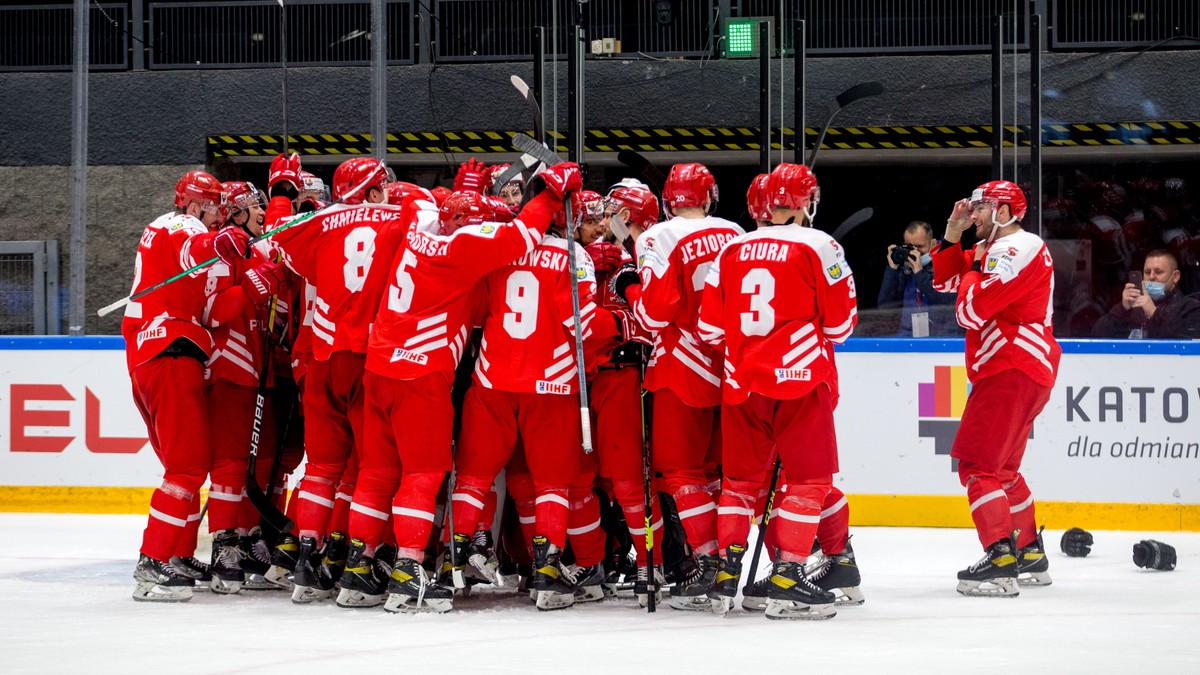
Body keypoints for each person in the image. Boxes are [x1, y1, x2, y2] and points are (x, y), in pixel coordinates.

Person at [345, 163, 580, 613]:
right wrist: (551, 196)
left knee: (376, 473)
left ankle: (359, 567)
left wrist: (465, 192)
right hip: (422, 374)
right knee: (421, 474)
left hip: (378, 367)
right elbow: (521, 236)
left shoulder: (420, 223)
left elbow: (413, 193)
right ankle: (409, 570)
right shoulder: (465, 246)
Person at [696, 163, 857, 620]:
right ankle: (788, 576)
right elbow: (842, 324)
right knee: (808, 482)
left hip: (742, 383)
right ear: (805, 202)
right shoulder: (820, 245)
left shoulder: (730, 250)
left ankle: (726, 573)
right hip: (801, 381)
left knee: (740, 484)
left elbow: (709, 328)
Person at [448, 165, 595, 612]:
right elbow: (583, 326)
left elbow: (474, 315)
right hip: (551, 384)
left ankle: (453, 563)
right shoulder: (573, 255)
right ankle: (547, 570)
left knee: (473, 475)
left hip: (493, 379)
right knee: (552, 481)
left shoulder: (499, 249)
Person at [268, 155, 406, 603]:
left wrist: (281, 194)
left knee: (323, 467)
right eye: (381, 184)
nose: (387, 189)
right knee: (374, 468)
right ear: (370, 190)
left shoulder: (321, 223)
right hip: (370, 358)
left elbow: (275, 242)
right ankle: (361, 564)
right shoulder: (397, 218)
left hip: (321, 357)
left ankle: (308, 560)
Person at [613, 162, 744, 611]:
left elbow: (652, 315)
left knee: (683, 475)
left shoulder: (657, 237)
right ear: (709, 196)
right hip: (731, 367)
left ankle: (706, 561)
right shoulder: (738, 233)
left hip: (681, 369)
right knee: (718, 474)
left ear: (669, 201)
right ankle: (739, 559)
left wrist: (629, 286)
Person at [124, 170, 252, 602]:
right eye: (214, 204)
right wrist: (216, 243)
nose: (219, 213)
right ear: (196, 204)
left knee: (181, 463)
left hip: (152, 356)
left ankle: (175, 554)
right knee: (189, 465)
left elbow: (212, 309)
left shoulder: (164, 230)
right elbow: (194, 244)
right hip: (171, 352)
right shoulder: (184, 225)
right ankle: (153, 562)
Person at [931, 180, 1061, 597]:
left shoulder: (1012, 249)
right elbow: (945, 283)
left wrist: (973, 266)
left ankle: (1001, 558)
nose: (974, 214)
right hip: (1022, 367)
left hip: (1009, 365)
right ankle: (1029, 553)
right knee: (1003, 471)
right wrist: (952, 235)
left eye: (982, 207)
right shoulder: (1000, 248)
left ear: (1004, 212)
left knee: (977, 467)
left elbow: (970, 310)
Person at [200, 181, 290, 594]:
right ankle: (224, 544)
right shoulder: (222, 246)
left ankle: (252, 536)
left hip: (258, 366)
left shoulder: (252, 247)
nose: (261, 210)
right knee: (232, 463)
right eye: (254, 206)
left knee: (263, 459)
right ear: (234, 212)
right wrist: (252, 283)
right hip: (230, 364)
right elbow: (214, 310)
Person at [1092, 248, 1200, 339]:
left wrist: (1154, 313)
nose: (1151, 277)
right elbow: (1098, 335)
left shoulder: (1190, 308)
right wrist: (1122, 309)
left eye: (1158, 272)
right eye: (1147, 272)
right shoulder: (1133, 309)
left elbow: (1184, 342)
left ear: (1175, 276)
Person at [877, 221, 960, 336]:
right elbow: (884, 307)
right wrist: (892, 270)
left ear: (933, 243)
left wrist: (919, 272)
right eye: (910, 247)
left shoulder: (947, 262)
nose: (915, 252)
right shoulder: (905, 269)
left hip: (941, 337)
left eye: (920, 246)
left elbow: (945, 303)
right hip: (909, 336)